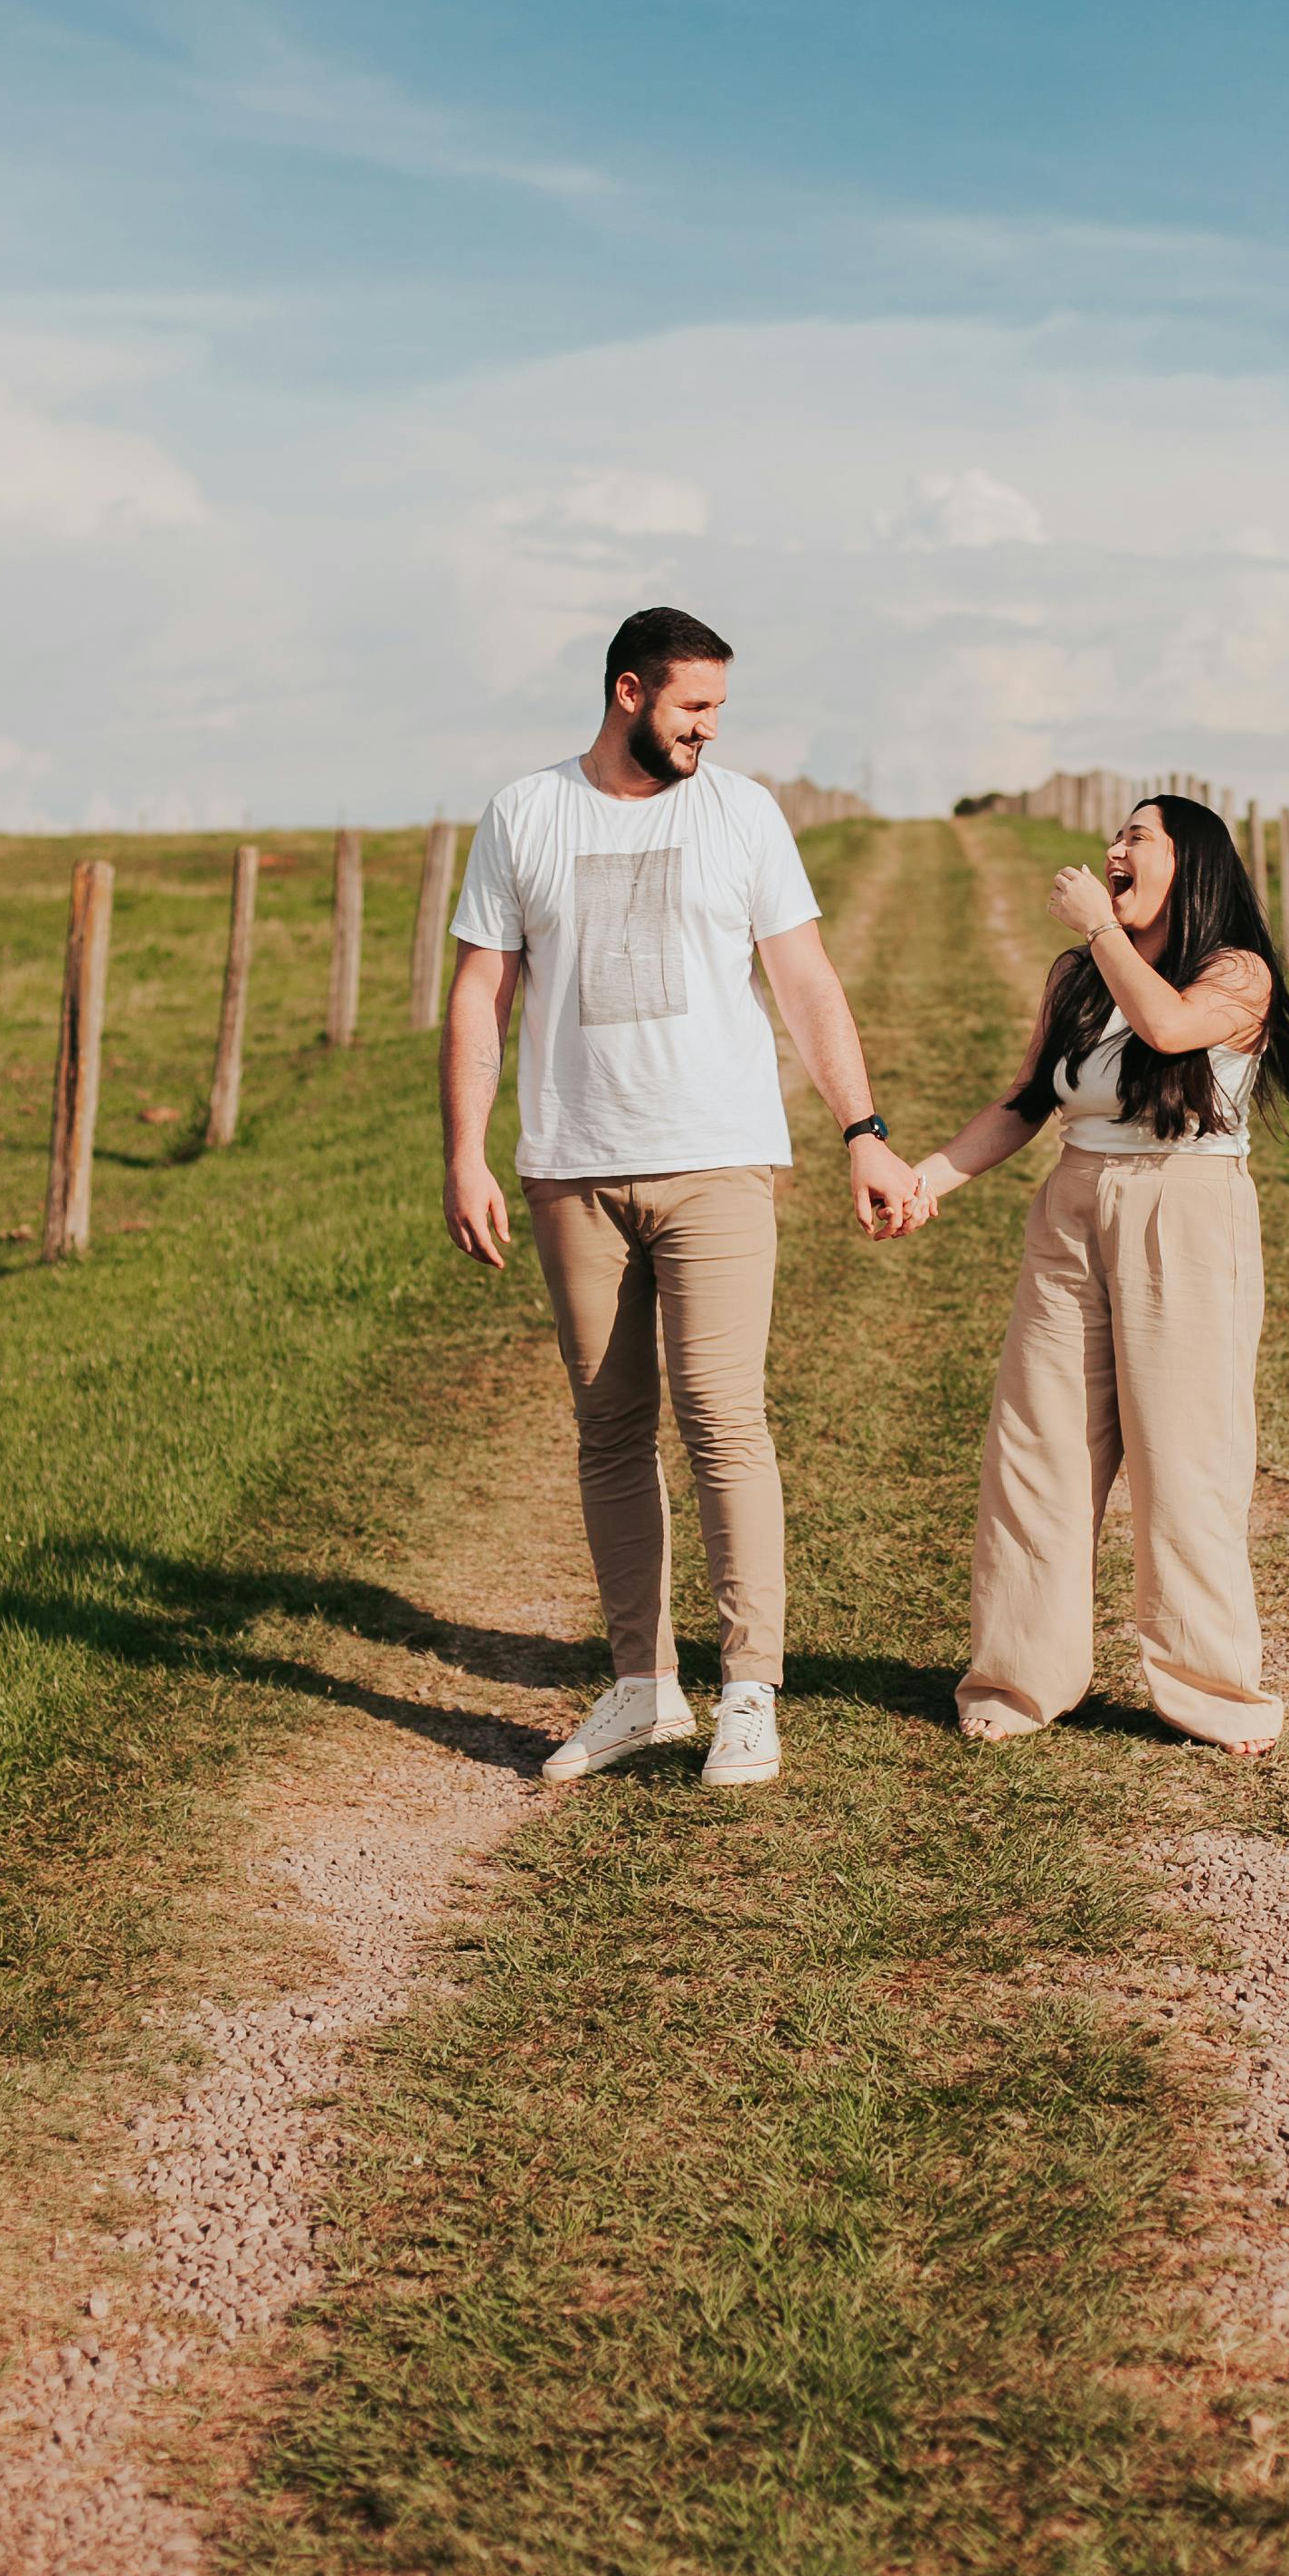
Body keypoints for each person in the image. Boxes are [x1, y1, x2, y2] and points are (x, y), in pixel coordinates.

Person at [441, 606, 929, 1793]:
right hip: (573, 1167)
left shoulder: (743, 811)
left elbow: (803, 979)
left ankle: (748, 1692)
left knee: (720, 1415)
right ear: (626, 693)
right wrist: (466, 1152)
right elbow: (478, 995)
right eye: (691, 708)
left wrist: (860, 1130)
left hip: (717, 1157)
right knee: (609, 1429)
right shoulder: (525, 813)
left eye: (717, 709)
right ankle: (642, 1689)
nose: (709, 729)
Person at [912, 795, 1289, 1754]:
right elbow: (1028, 1100)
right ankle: (1018, 1682)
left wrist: (1104, 931)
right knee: (1037, 1446)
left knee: (1186, 1455)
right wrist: (929, 1179)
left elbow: (1169, 1031)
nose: (1114, 848)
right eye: (1116, 835)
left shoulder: (1236, 972)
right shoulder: (1078, 973)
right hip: (1072, 1203)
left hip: (1184, 1205)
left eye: (1137, 837)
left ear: (1189, 863)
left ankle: (1211, 1691)